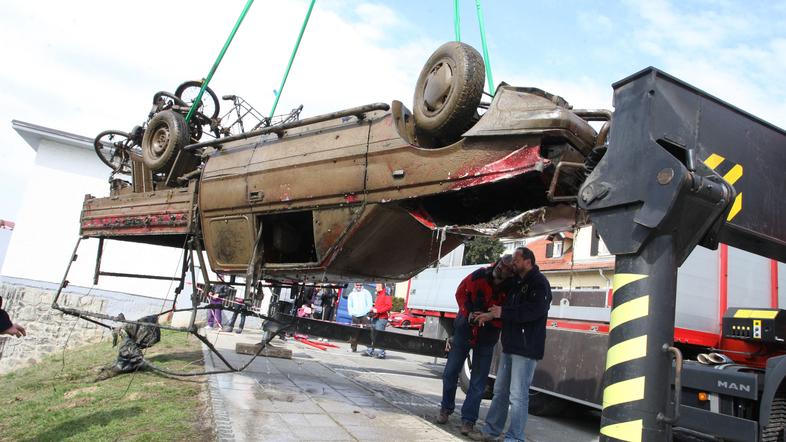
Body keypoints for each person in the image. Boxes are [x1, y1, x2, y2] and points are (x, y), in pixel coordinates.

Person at [475, 246, 552, 442]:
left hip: (526, 349)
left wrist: (502, 313)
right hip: (510, 346)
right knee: (500, 391)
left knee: (518, 395)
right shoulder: (517, 282)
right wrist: (492, 314)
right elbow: (506, 304)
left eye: (516, 260)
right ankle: (491, 431)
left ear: (528, 261)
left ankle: (515, 437)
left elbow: (533, 311)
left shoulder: (539, 283)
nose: (514, 263)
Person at [436, 255, 515, 435]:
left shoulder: (510, 289)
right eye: (501, 264)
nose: (500, 268)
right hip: (465, 330)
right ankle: (446, 408)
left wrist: (492, 316)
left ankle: (468, 420)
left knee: (478, 382)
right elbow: (461, 292)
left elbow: (508, 313)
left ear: (510, 273)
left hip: (487, 336)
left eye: (505, 268)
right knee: (450, 372)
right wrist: (468, 313)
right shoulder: (479, 275)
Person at [364, 284, 392, 359]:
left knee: (379, 336)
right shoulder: (379, 294)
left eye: (377, 286)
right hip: (375, 317)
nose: (376, 287)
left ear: (381, 287)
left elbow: (389, 306)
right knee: (372, 335)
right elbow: (379, 306)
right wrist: (373, 309)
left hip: (381, 318)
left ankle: (382, 353)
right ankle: (370, 351)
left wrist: (377, 310)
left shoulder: (386, 294)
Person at [347, 282, 373, 352]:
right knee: (354, 333)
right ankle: (353, 348)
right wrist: (352, 313)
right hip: (355, 316)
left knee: (367, 332)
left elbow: (369, 304)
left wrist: (366, 314)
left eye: (360, 285)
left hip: (364, 315)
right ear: (355, 285)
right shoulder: (351, 294)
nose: (359, 286)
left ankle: (369, 349)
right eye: (357, 285)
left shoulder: (366, 293)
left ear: (362, 285)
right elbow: (349, 305)